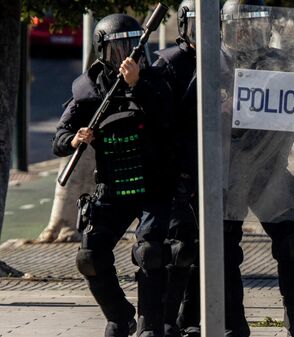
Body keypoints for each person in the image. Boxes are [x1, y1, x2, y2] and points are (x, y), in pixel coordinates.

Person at [52, 14, 175, 337]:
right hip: (112, 187)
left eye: (132, 47)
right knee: (90, 254)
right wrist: (75, 138)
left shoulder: (156, 79)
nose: (126, 56)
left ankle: (151, 324)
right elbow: (60, 138)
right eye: (118, 49)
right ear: (103, 51)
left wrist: (137, 86)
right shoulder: (88, 87)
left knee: (150, 251)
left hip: (153, 185)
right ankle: (121, 317)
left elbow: (169, 118)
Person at [220, 1, 294, 336]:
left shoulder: (278, 63)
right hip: (226, 175)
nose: (248, 31)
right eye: (241, 24)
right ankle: (233, 323)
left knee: (292, 242)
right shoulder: (213, 64)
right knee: (223, 248)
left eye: (255, 23)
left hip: (268, 171)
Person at [152, 1, 200, 336]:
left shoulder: (227, 60)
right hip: (179, 171)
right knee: (179, 248)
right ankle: (167, 322)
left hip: (216, 171)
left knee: (213, 249)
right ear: (183, 25)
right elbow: (157, 118)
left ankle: (195, 318)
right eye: (196, 23)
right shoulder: (168, 63)